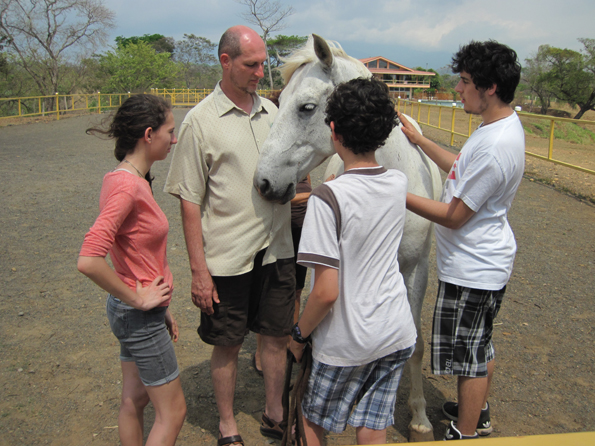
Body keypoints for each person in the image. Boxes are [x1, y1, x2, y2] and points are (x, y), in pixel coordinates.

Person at [163, 25, 295, 446]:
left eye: (263, 63)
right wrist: (199, 272)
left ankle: (275, 412)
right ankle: (227, 424)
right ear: (225, 61)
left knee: (276, 336)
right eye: (251, 64)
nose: (261, 73)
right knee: (229, 343)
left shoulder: (274, 115)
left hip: (277, 251)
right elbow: (189, 200)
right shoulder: (200, 121)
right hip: (228, 255)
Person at [397, 40, 524, 440]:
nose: (457, 89)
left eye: (465, 82)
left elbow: (453, 216)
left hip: (474, 268)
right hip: (484, 261)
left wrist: (390, 188)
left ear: (490, 88)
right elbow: (460, 168)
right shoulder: (496, 129)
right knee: (480, 346)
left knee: (468, 359)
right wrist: (420, 142)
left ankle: (465, 432)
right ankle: (479, 412)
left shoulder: (495, 147)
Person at [289, 77, 418, 446]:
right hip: (395, 330)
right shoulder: (396, 181)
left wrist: (299, 335)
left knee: (312, 420)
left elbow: (326, 292)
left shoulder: (326, 198)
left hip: (347, 340)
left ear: (333, 130)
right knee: (373, 424)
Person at [78, 94, 186, 446]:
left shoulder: (124, 178)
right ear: (149, 134)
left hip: (134, 312)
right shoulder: (127, 186)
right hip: (136, 312)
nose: (174, 139)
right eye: (171, 132)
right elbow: (89, 259)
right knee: (173, 413)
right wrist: (141, 300)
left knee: (134, 399)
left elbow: (135, 254)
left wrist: (158, 307)